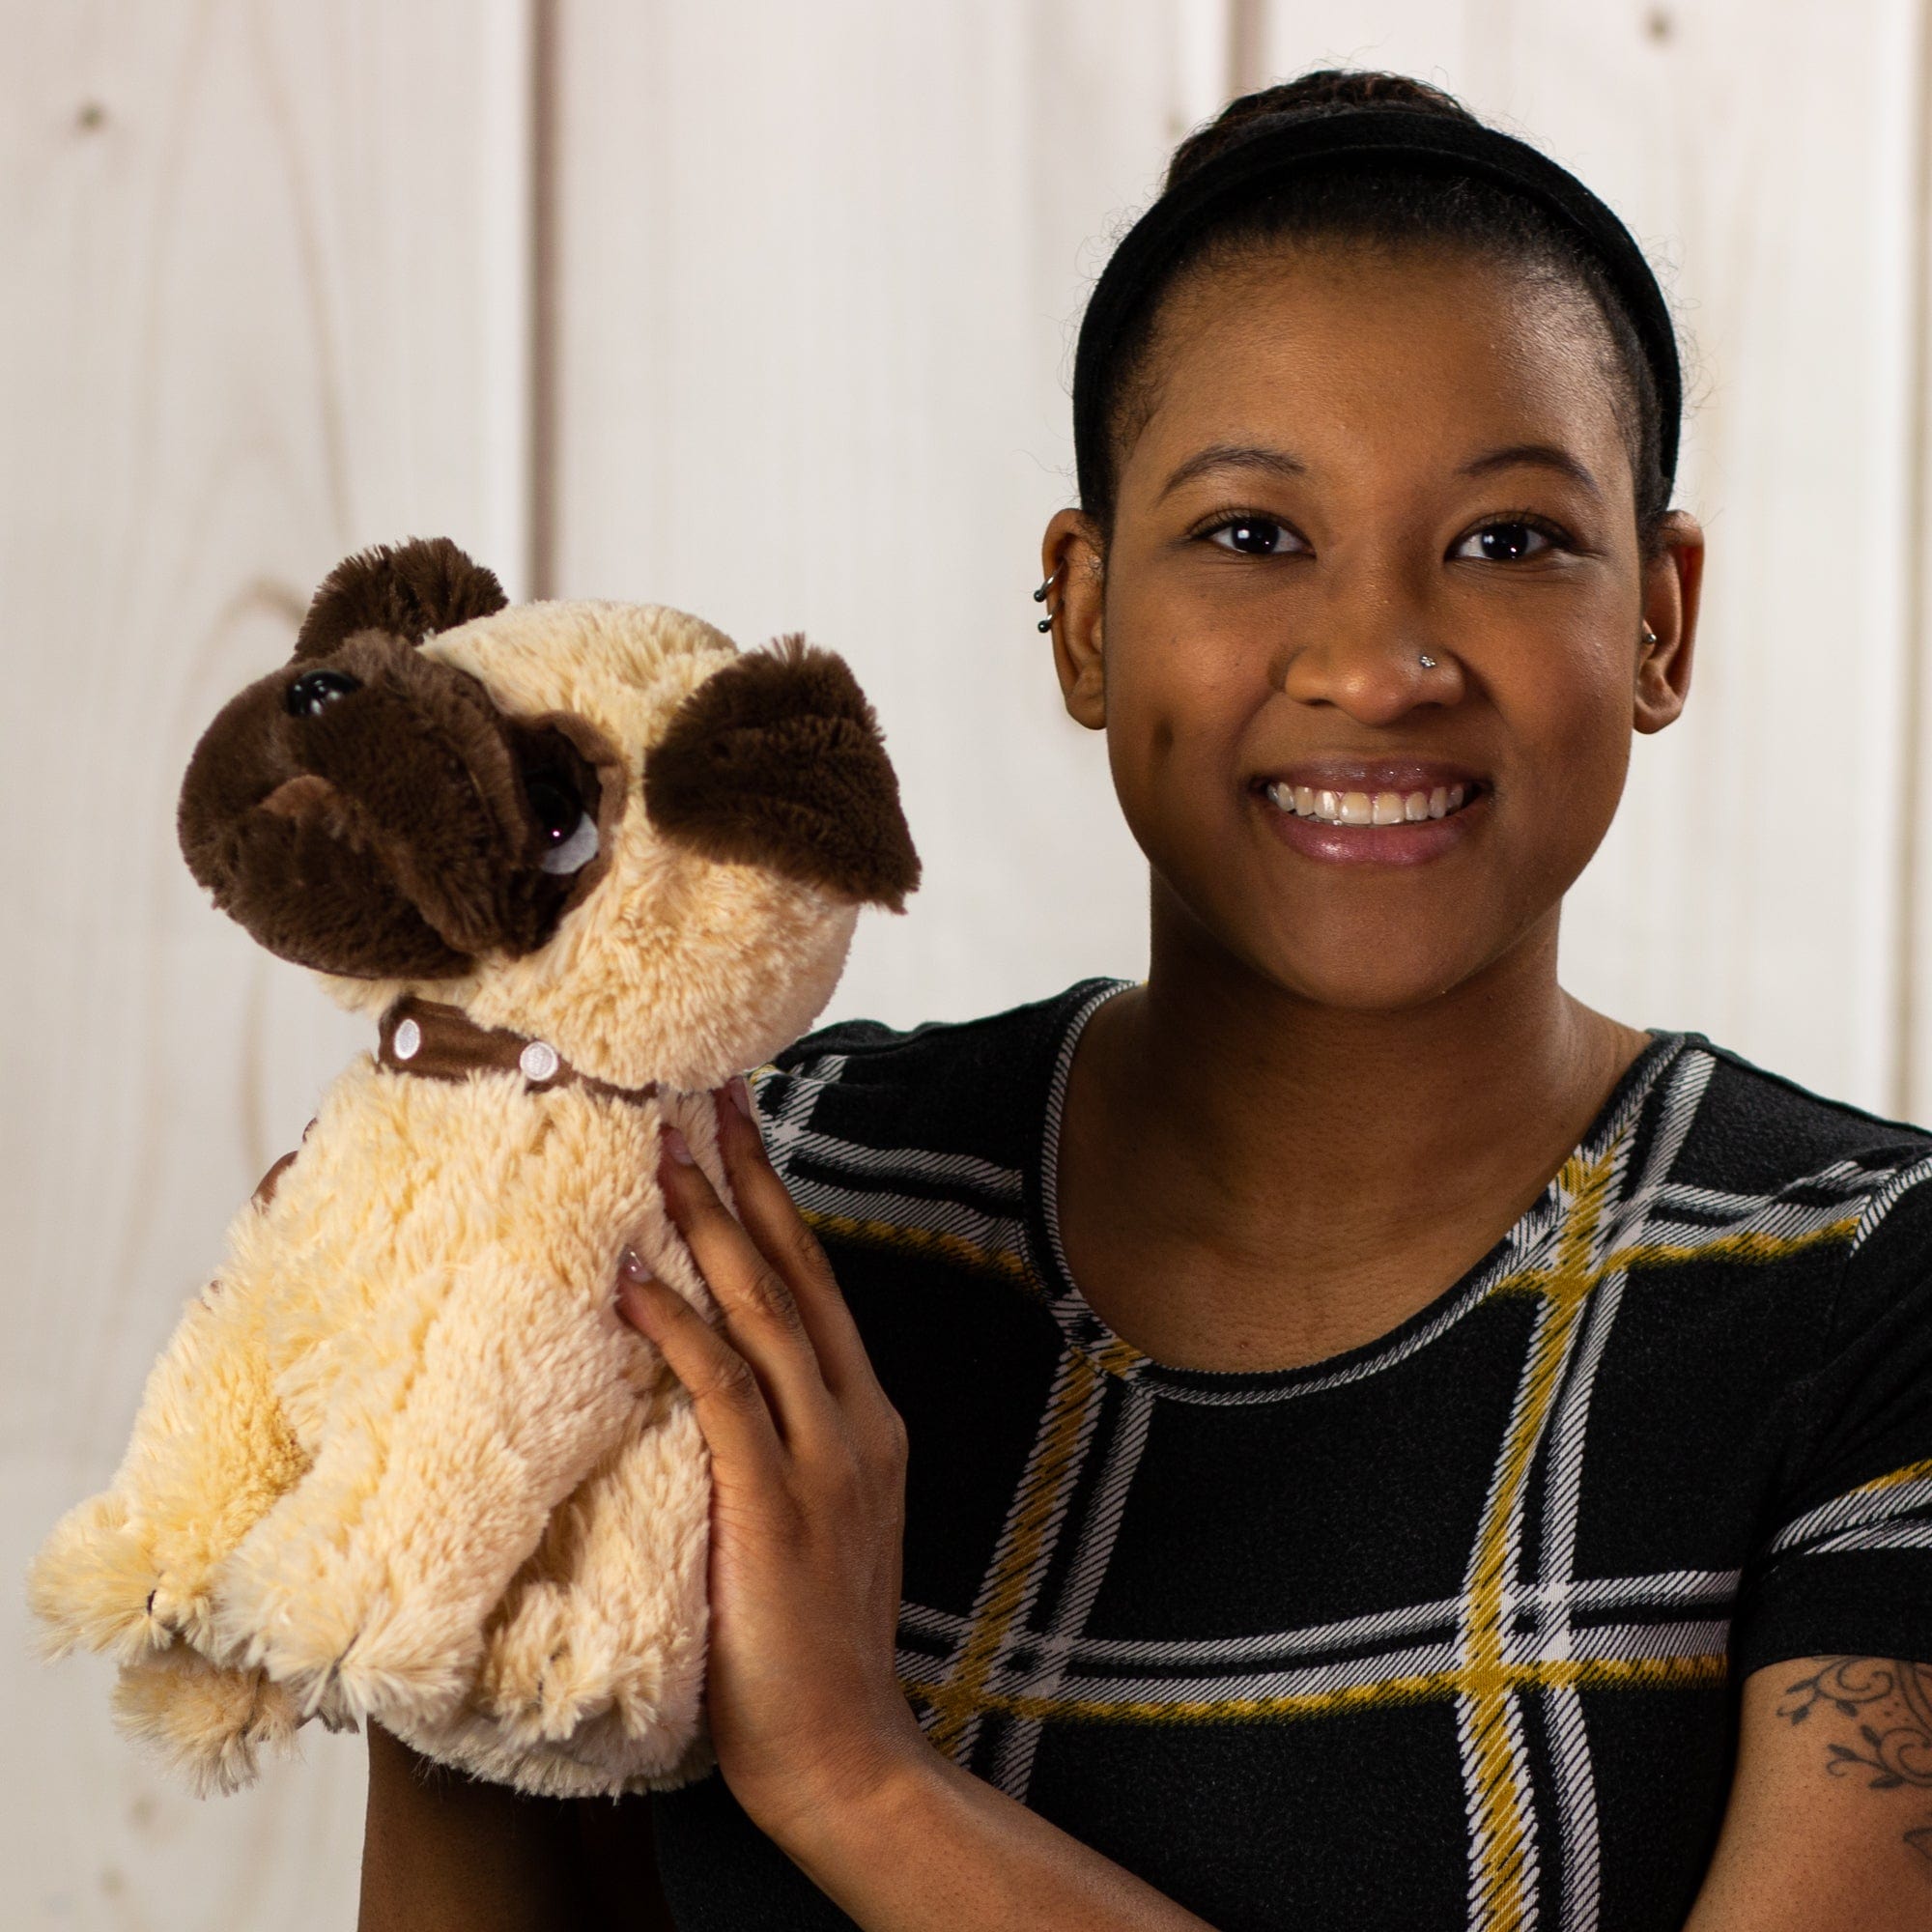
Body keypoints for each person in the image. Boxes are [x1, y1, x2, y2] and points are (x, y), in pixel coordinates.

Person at [355, 70, 1932, 1931]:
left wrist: (861, 1782)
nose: (1381, 665)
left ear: (1659, 619)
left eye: (1509, 541)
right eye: (1254, 535)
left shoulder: (1865, 1296)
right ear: (1086, 613)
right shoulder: (725, 1213)